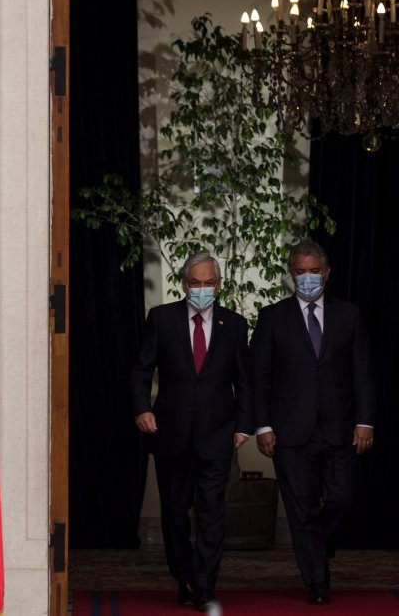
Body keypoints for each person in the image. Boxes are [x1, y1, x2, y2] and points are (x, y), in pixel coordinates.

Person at [251, 240, 377, 605]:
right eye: (300, 272)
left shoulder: (349, 315)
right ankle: (317, 582)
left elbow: (363, 373)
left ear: (326, 273)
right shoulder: (272, 317)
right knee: (301, 508)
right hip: (290, 431)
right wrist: (263, 426)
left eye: (313, 272)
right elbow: (260, 376)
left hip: (340, 427)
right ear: (292, 275)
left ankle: (317, 541)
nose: (307, 278)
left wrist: (365, 421)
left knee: (341, 497)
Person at [131, 252, 252, 612]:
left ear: (219, 285)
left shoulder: (235, 324)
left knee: (213, 512)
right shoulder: (162, 319)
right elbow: (140, 370)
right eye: (195, 283)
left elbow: (244, 381)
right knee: (174, 511)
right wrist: (141, 408)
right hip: (171, 433)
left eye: (209, 283)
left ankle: (204, 585)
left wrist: (245, 425)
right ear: (184, 284)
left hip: (218, 433)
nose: (202, 289)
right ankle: (183, 577)